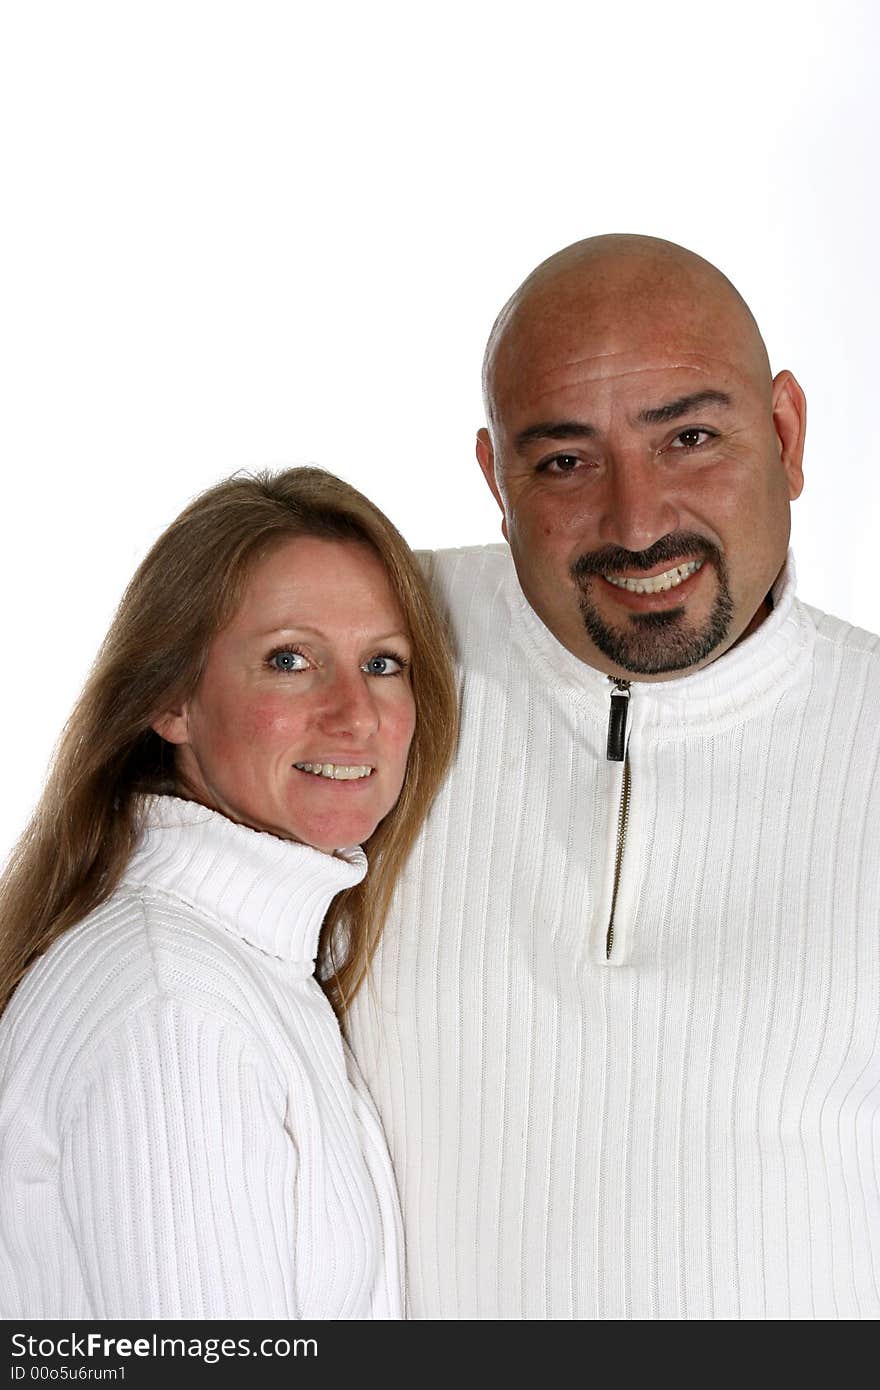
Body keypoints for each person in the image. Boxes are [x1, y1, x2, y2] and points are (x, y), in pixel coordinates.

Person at [345, 234, 880, 1320]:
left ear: (784, 434)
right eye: (564, 461)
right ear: (497, 478)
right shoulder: (369, 665)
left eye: (689, 437)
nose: (638, 524)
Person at [0, 467, 457, 1320]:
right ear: (171, 699)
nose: (353, 713)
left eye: (383, 663)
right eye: (290, 659)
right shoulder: (174, 1009)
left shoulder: (249, 970)